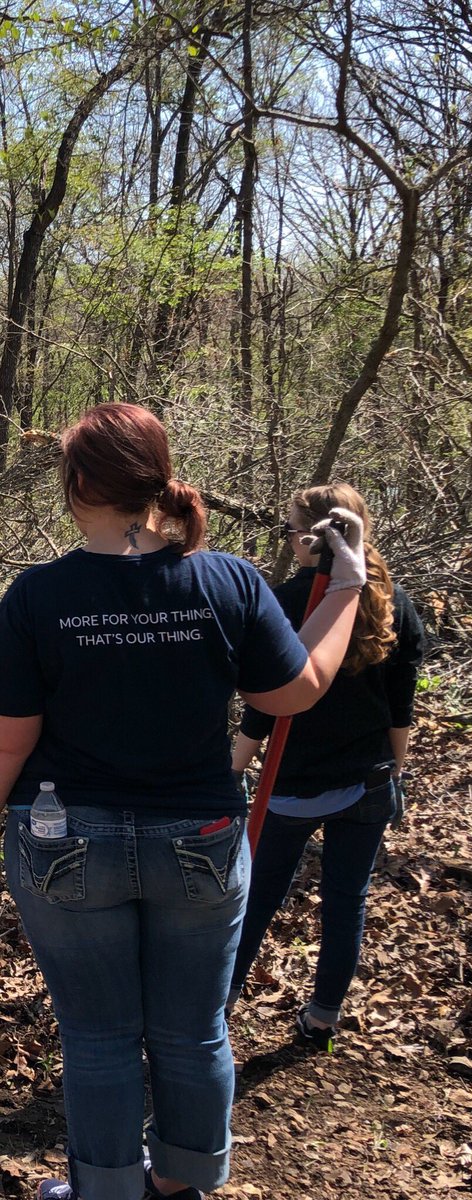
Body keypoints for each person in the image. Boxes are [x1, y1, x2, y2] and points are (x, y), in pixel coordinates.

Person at [0, 403, 364, 1200]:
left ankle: (108, 1191)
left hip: (65, 839)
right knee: (193, 1032)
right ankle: (181, 1186)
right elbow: (296, 691)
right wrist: (346, 586)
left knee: (97, 1037)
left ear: (75, 487)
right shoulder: (225, 579)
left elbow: (11, 742)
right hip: (198, 836)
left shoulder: (35, 597)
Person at [225, 483, 425, 1052]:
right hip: (365, 779)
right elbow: (401, 706)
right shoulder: (390, 599)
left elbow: (266, 702)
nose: (289, 541)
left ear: (315, 538)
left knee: (256, 896)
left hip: (294, 785)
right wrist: (397, 771)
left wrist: (235, 768)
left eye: (292, 530)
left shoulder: (287, 603)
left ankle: (220, 1007)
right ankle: (321, 1019)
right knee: (345, 899)